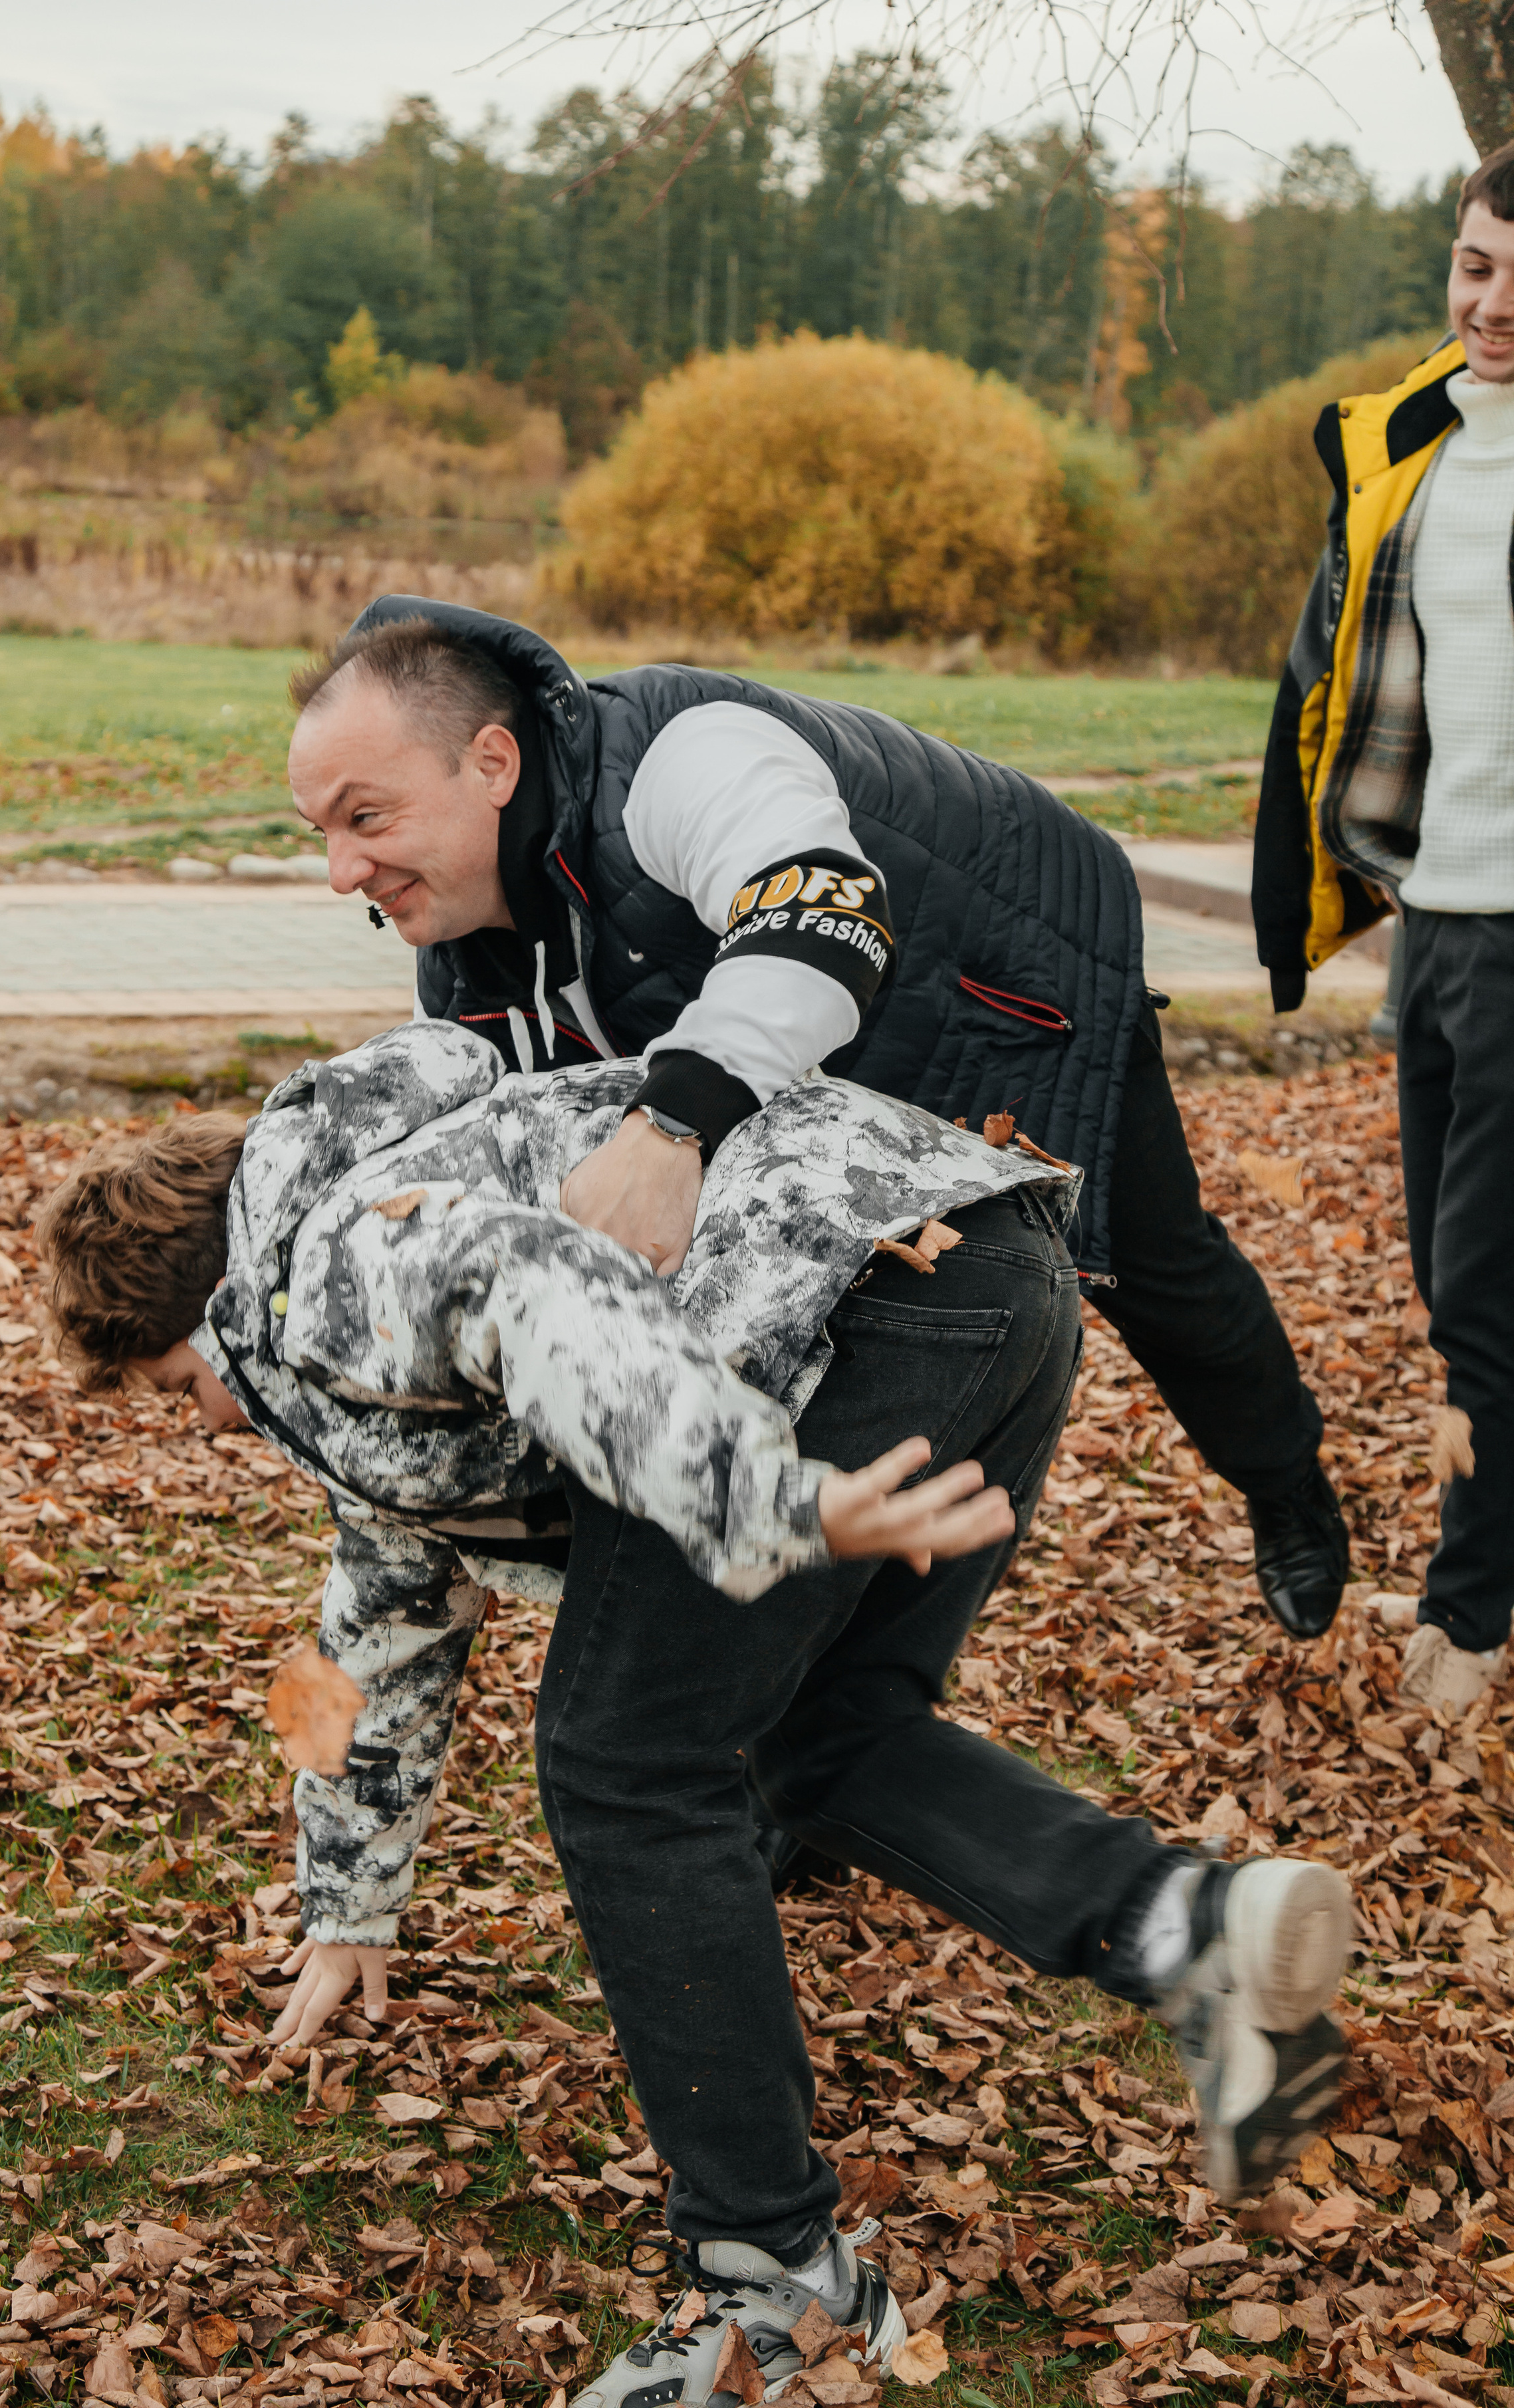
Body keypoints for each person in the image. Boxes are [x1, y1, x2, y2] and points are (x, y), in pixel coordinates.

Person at [37, 1024, 1352, 2408]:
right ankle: (1186, 1929)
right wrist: (348, 1902)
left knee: (623, 1763)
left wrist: (759, 1493)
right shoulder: (351, 1306)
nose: (205, 1425)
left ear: (206, 1316)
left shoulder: (332, 1262)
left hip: (832, 1312)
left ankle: (773, 2276)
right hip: (981, 1269)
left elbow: (526, 1278)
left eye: (176, 1390)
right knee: (822, 1730)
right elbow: (371, 1623)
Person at [284, 604, 1349, 1648]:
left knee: (1156, 1271)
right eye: (322, 833)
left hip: (999, 996)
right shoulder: (464, 962)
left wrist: (670, 1126)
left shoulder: (678, 757)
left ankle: (1285, 1479)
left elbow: (824, 913)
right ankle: (840, 1625)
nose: (340, 873)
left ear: (493, 763)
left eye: (365, 818)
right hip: (807, 1082)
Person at [1254, 141, 1514, 1715]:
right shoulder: (1405, 446)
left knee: (1481, 1289)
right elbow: (1328, 673)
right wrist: (1324, 880)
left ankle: (1469, 1616)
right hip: (1438, 918)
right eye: (1475, 268)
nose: (1491, 307)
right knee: (1445, 1265)